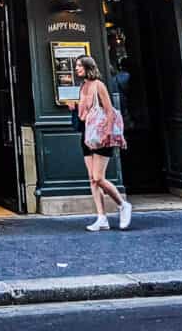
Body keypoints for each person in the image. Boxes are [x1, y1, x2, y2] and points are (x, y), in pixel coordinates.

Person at [67, 55, 132, 232]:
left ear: (88, 67)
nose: (76, 69)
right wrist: (74, 108)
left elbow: (110, 112)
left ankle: (122, 204)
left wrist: (107, 133)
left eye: (79, 66)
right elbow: (83, 115)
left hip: (102, 135)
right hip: (88, 135)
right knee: (92, 179)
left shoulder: (99, 85)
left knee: (98, 177)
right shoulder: (83, 87)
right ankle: (102, 217)